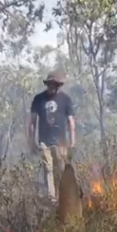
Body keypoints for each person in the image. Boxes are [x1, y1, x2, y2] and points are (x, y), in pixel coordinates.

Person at [27, 70, 76, 202]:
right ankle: (51, 197)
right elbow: (32, 122)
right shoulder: (39, 99)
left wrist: (72, 142)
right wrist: (31, 141)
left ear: (58, 85)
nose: (51, 87)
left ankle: (62, 197)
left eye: (54, 84)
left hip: (60, 142)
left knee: (60, 169)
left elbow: (71, 122)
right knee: (47, 168)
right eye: (49, 84)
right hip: (44, 141)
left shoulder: (65, 100)